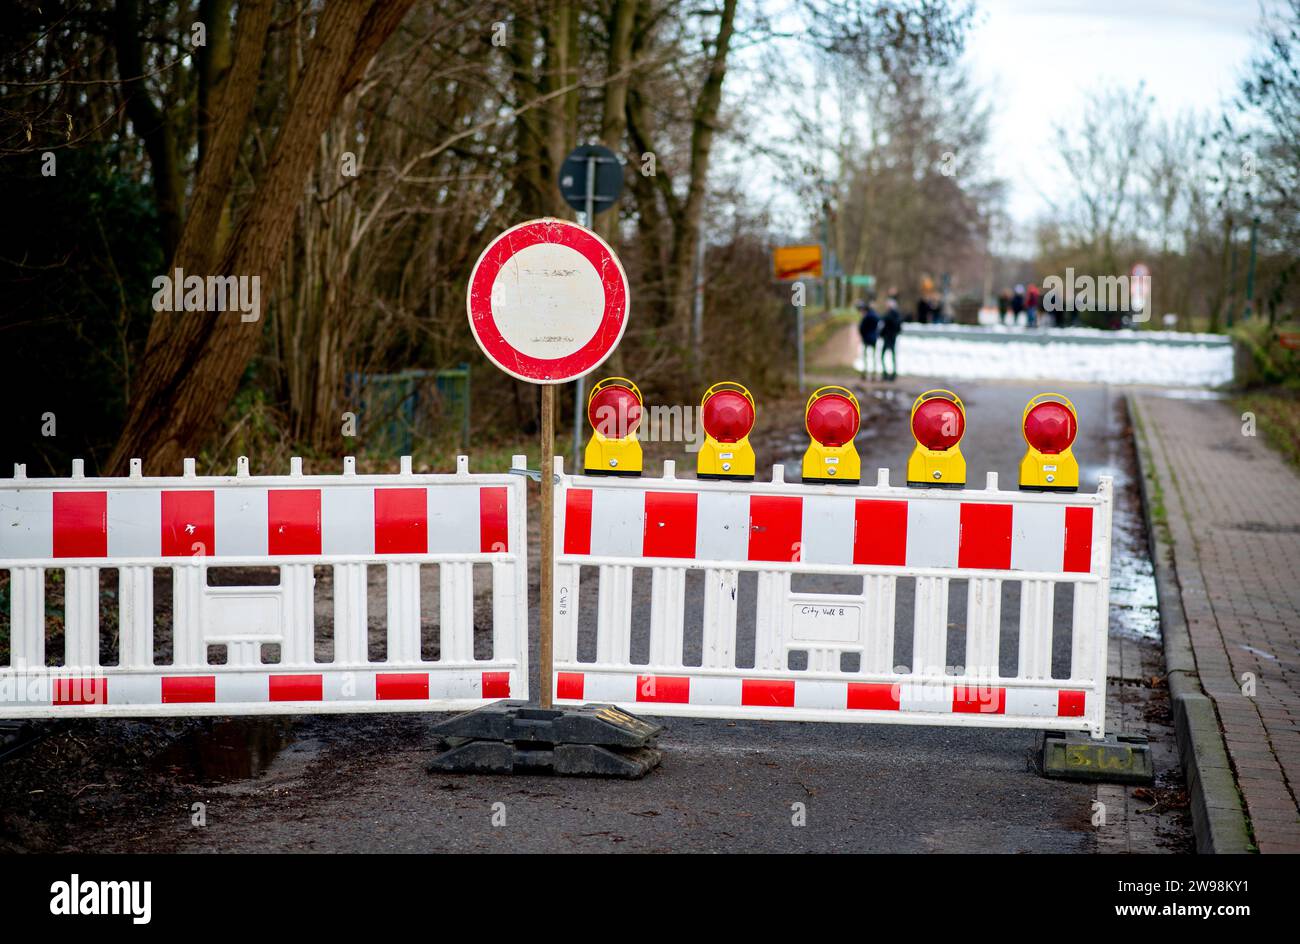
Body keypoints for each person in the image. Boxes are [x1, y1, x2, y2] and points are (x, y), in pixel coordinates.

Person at [856, 296, 880, 380]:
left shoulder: (866, 317)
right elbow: (879, 327)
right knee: (874, 357)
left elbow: (861, 328)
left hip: (866, 338)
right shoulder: (876, 316)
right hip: (874, 338)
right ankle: (874, 374)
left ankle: (865, 373)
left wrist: (863, 335)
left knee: (865, 357)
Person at [880, 295, 903, 381]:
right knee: (888, 356)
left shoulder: (891, 315)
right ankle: (889, 374)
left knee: (886, 356)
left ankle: (890, 374)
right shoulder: (893, 314)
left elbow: (895, 326)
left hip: (890, 338)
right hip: (890, 337)